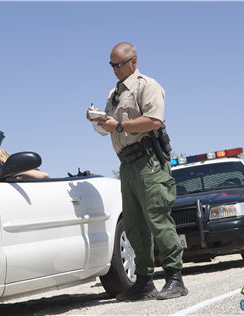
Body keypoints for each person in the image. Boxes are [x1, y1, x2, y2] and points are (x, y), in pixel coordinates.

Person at [87, 42, 187, 301]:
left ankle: (175, 277)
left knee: (157, 219)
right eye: (112, 65)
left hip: (149, 162)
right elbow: (109, 127)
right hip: (127, 165)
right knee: (133, 225)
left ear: (133, 61)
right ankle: (144, 282)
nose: (115, 70)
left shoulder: (147, 85)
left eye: (119, 64)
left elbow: (154, 120)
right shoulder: (113, 93)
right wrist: (99, 121)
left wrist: (118, 125)